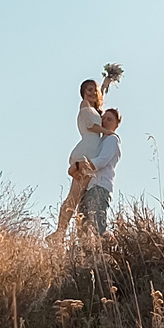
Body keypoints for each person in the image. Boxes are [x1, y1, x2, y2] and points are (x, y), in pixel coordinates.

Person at [51, 77, 106, 244]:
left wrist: (106, 82)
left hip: (91, 153)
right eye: (89, 89)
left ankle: (72, 234)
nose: (93, 92)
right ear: (83, 92)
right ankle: (59, 232)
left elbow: (101, 95)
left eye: (94, 89)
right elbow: (91, 126)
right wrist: (109, 132)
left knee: (79, 198)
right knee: (74, 196)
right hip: (86, 152)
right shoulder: (84, 106)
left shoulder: (95, 110)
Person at [78, 107, 123, 240]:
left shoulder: (112, 139)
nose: (105, 121)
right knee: (83, 226)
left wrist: (82, 165)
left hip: (100, 186)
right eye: (103, 118)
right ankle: (85, 251)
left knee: (98, 225)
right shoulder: (99, 141)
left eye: (109, 119)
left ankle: (109, 247)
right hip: (90, 186)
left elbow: (102, 160)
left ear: (116, 124)